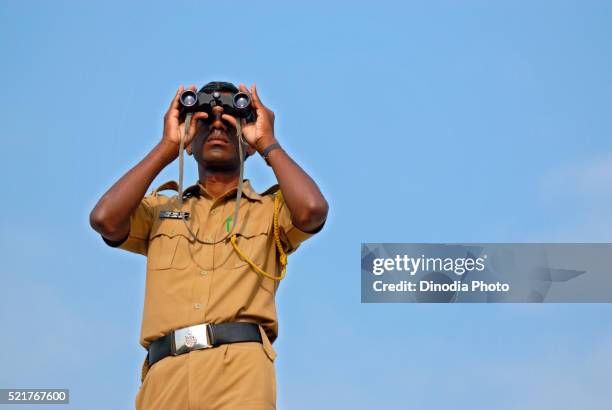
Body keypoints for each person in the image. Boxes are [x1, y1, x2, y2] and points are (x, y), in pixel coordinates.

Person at [89, 81, 328, 410]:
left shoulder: (268, 210)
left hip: (239, 375)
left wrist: (268, 142)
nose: (218, 124)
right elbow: (105, 219)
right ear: (190, 140)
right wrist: (166, 147)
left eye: (230, 119)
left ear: (247, 140)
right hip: (165, 376)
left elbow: (312, 210)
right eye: (204, 119)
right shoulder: (163, 210)